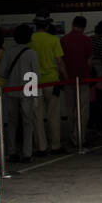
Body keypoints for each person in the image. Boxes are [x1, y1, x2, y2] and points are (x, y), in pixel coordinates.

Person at [0, 24, 39, 165]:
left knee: (12, 122)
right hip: (27, 90)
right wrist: (35, 95)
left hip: (11, 90)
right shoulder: (31, 52)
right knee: (28, 122)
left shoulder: (8, 52)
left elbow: (2, 72)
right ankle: (27, 153)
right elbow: (35, 74)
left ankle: (12, 152)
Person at [28, 11, 67, 155]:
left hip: (33, 81)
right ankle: (55, 145)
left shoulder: (29, 40)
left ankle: (41, 147)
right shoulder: (53, 40)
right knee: (54, 115)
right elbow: (60, 62)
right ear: (47, 25)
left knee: (37, 116)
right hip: (52, 80)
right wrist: (65, 77)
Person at [60, 15, 95, 147]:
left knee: (70, 110)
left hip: (68, 80)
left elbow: (60, 61)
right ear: (84, 27)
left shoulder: (63, 40)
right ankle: (80, 137)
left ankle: (72, 135)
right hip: (83, 79)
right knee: (83, 109)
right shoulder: (86, 40)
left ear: (72, 24)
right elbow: (89, 61)